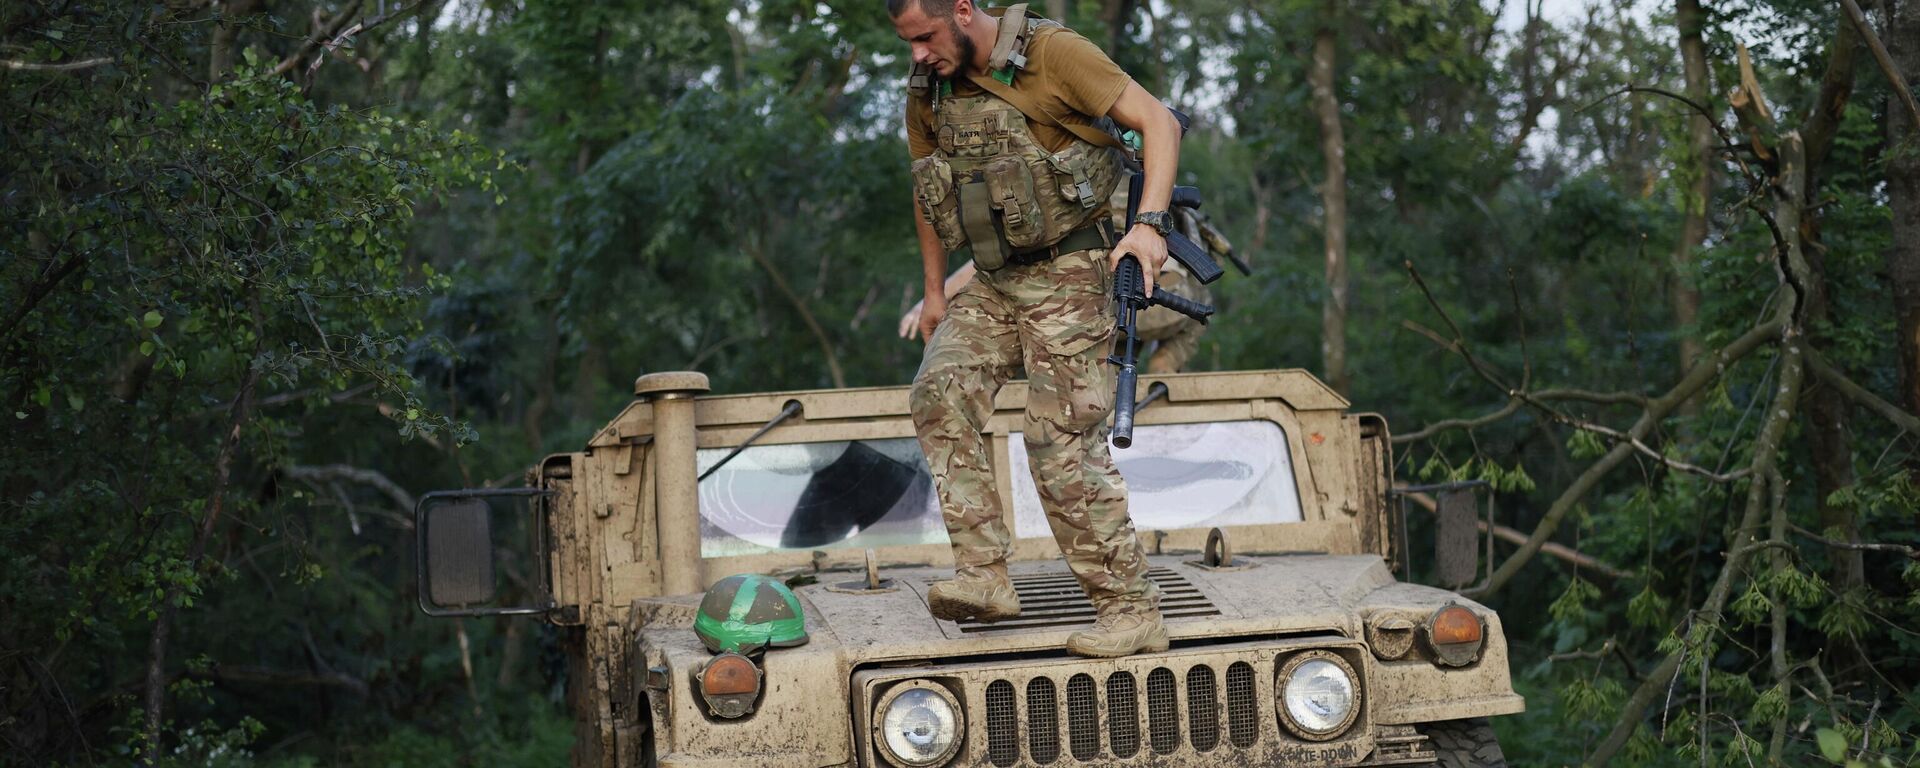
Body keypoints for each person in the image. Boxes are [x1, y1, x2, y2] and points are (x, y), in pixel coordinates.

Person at [889, 0, 1184, 657]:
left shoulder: (1055, 55)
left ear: (962, 9)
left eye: (925, 37)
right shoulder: (927, 89)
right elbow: (926, 187)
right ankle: (985, 575)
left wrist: (1149, 225)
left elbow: (1157, 122)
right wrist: (935, 294)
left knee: (1056, 435)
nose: (917, 54)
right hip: (994, 279)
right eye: (906, 42)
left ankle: (1131, 609)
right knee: (938, 390)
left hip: (1074, 265)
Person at [896, 175, 1227, 374]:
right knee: (1201, 302)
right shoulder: (1155, 182)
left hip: (1088, 314)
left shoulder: (1083, 182)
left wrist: (935, 295)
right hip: (1150, 307)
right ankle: (1163, 370)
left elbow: (998, 257)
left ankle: (1140, 371)